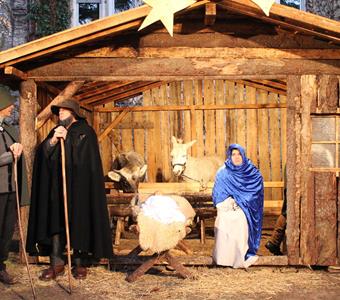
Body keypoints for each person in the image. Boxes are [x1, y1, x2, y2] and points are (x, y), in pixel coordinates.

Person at [26, 99, 112, 280]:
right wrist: (53, 140)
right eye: (59, 111)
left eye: (64, 111)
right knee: (56, 223)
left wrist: (67, 142)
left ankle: (80, 263)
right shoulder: (55, 130)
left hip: (80, 188)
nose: (60, 114)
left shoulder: (86, 132)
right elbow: (43, 153)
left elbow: (85, 160)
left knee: (80, 222)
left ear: (74, 113)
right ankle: (56, 263)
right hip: (57, 188)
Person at [212, 144, 264, 268]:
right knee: (224, 220)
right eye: (233, 154)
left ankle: (240, 256)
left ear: (243, 155)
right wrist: (229, 203)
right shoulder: (223, 172)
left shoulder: (252, 172)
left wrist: (242, 202)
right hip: (227, 207)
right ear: (230, 156)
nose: (236, 157)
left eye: (239, 154)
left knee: (240, 219)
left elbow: (255, 192)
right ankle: (224, 259)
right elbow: (218, 194)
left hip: (245, 208)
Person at [0, 85, 29, 284]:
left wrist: (18, 151)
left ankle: (0, 266)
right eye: (9, 104)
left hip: (11, 188)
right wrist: (10, 155)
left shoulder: (8, 128)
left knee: (7, 229)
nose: (12, 108)